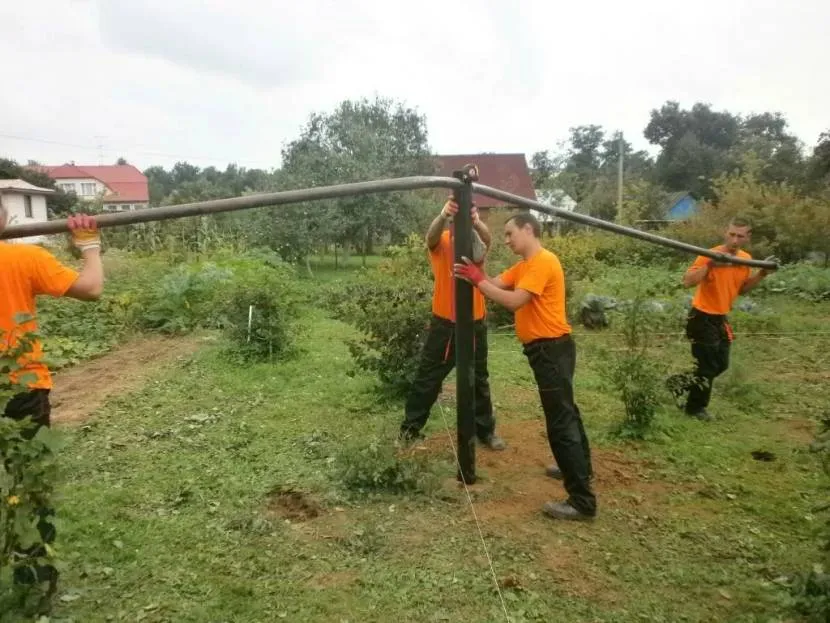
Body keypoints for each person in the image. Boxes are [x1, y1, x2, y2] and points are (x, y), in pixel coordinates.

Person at [454, 212, 596, 521]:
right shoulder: (525, 266)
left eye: (509, 234)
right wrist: (478, 270)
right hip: (550, 350)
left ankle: (582, 501)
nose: (506, 240)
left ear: (528, 229)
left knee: (560, 422)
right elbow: (494, 283)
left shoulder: (543, 262)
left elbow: (514, 301)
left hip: (551, 350)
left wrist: (477, 281)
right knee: (567, 411)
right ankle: (580, 466)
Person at [1, 200, 104, 593]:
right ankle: (36, 584)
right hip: (20, 388)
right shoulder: (24, 258)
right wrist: (89, 246)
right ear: (4, 218)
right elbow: (91, 288)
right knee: (30, 485)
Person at [399, 195, 506, 451]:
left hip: (476, 324)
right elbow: (431, 238)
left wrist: (477, 221)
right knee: (428, 378)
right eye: (457, 218)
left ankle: (486, 432)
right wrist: (443, 214)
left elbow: (488, 240)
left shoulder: (475, 243)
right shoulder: (443, 242)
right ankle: (409, 432)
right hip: (445, 325)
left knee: (479, 379)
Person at [675, 217, 777, 420]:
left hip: (720, 318)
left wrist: (762, 274)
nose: (734, 240)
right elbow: (687, 282)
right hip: (701, 316)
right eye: (731, 234)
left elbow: (742, 289)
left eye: (740, 236)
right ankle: (695, 409)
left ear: (747, 237)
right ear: (725, 233)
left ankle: (678, 384)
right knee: (707, 366)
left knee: (721, 364)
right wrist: (711, 264)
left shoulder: (745, 259)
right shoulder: (709, 255)